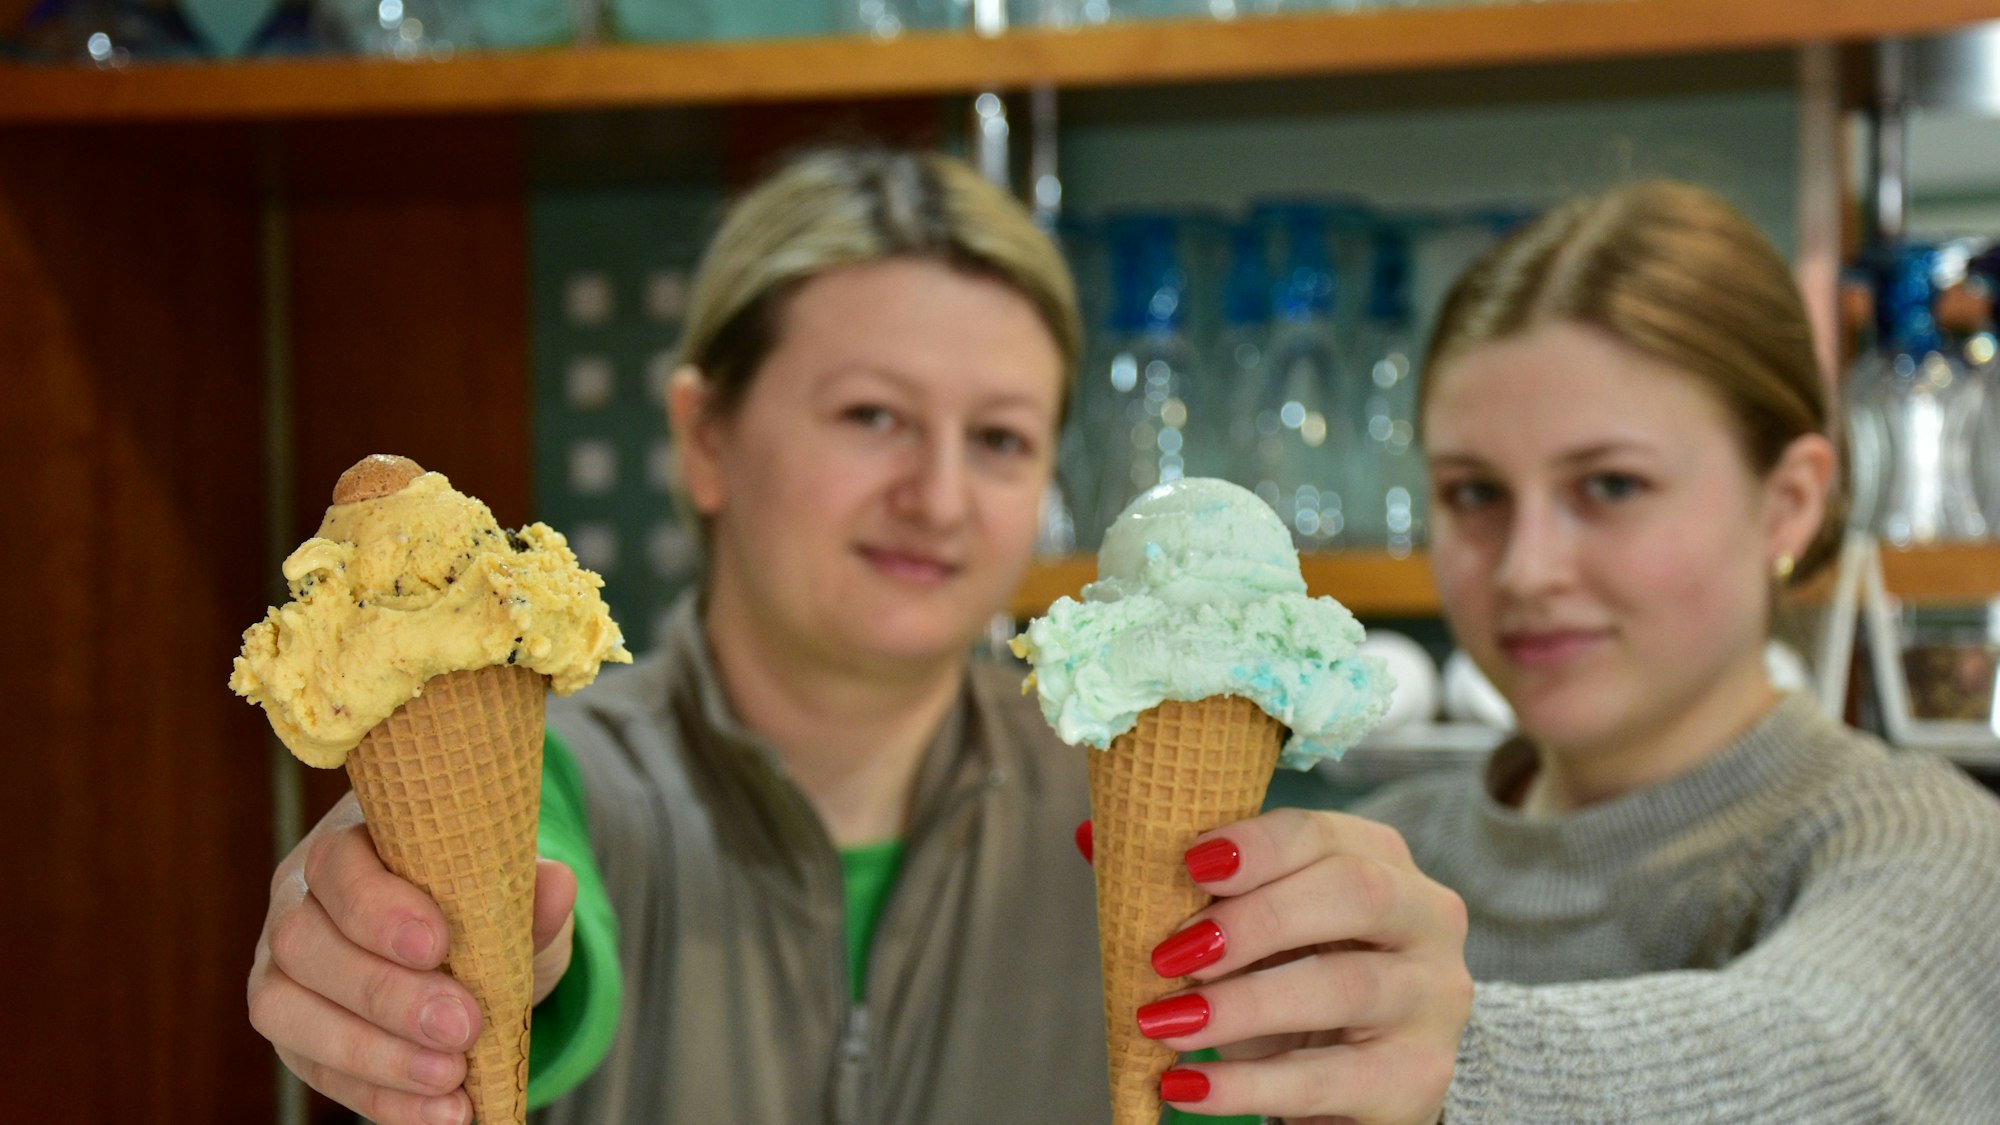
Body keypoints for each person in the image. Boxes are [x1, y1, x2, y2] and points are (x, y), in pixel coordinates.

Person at [245, 146, 1471, 1125]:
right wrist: (428, 956)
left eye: (996, 439)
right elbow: (553, 938)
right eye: (872, 415)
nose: (936, 497)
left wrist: (1352, 1055)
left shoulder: (1152, 822)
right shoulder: (567, 779)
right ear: (704, 437)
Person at [1325, 181, 1996, 1120]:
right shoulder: (1386, 856)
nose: (1526, 569)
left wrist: (1450, 1063)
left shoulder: (1927, 844)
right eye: (1475, 494)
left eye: (1609, 483)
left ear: (1790, 501)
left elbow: (1834, 1057)